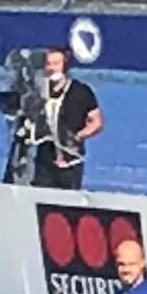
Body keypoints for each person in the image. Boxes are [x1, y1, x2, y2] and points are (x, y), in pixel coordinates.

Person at [32, 47, 102, 190]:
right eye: (48, 64)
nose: (52, 68)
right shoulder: (37, 92)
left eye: (56, 63)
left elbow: (96, 121)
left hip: (71, 160)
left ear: (65, 66)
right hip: (44, 161)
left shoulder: (81, 91)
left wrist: (79, 135)